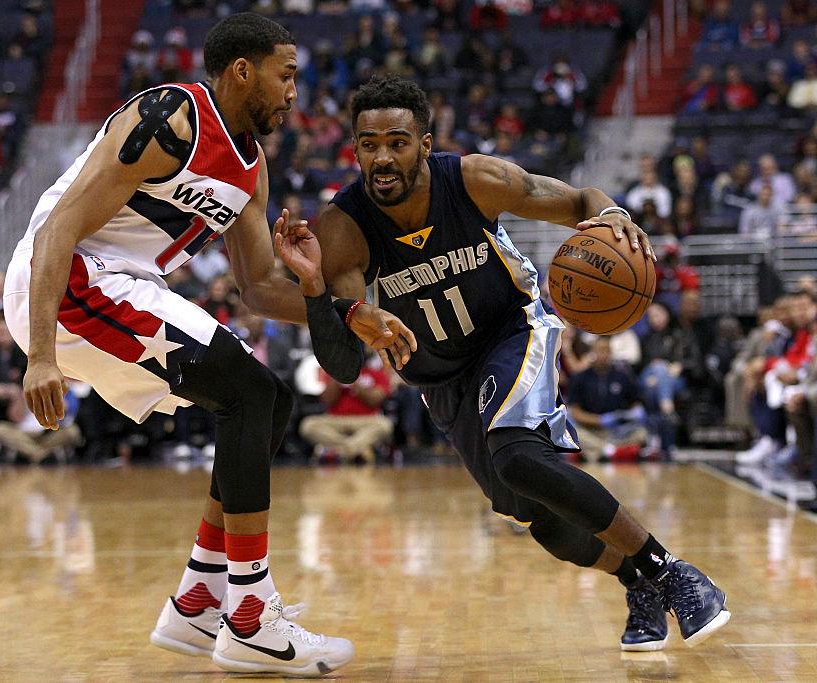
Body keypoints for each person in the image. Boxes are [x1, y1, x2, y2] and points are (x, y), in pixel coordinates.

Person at [3, 13, 413, 677]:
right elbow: (57, 230)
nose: (292, 94)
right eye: (285, 76)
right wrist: (41, 355)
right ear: (242, 71)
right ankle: (249, 616)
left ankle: (200, 600)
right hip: (67, 280)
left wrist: (340, 306)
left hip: (125, 286)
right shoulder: (171, 117)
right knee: (251, 394)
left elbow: (256, 289)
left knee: (266, 403)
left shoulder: (251, 166)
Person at [275, 75, 730, 653]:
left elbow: (579, 202)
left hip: (510, 331)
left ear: (424, 142)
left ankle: (672, 572)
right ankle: (636, 580)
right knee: (534, 514)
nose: (383, 157)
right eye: (369, 144)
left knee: (517, 455)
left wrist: (613, 213)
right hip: (441, 378)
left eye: (397, 141)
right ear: (355, 148)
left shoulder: (474, 180)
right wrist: (317, 289)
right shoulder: (343, 229)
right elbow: (341, 366)